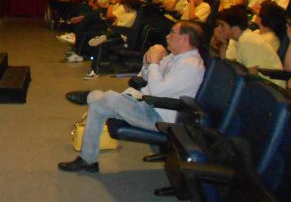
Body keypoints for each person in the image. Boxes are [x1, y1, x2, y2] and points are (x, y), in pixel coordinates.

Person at [58, 21, 206, 173]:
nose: (167, 36)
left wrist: (154, 62)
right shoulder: (175, 58)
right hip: (149, 106)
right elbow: (145, 79)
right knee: (98, 105)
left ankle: (90, 96)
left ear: (185, 38)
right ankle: (88, 160)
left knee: (107, 98)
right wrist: (148, 62)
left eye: (172, 33)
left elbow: (156, 91)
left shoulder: (190, 65)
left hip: (161, 117)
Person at [211, 5, 284, 87]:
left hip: (271, 89)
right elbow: (227, 68)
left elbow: (252, 76)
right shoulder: (241, 39)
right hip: (263, 85)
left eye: (222, 25)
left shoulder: (247, 41)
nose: (218, 29)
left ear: (235, 28)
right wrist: (223, 46)